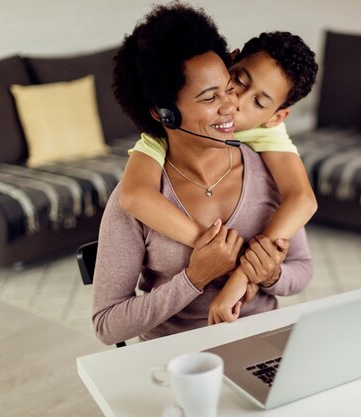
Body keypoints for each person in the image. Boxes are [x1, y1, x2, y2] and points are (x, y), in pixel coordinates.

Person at [92, 2, 312, 345]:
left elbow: (301, 268)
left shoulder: (269, 168)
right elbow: (107, 326)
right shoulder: (139, 194)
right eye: (210, 97)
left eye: (228, 87)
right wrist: (194, 277)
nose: (232, 105)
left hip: (265, 344)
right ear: (165, 113)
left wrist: (270, 275)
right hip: (177, 361)